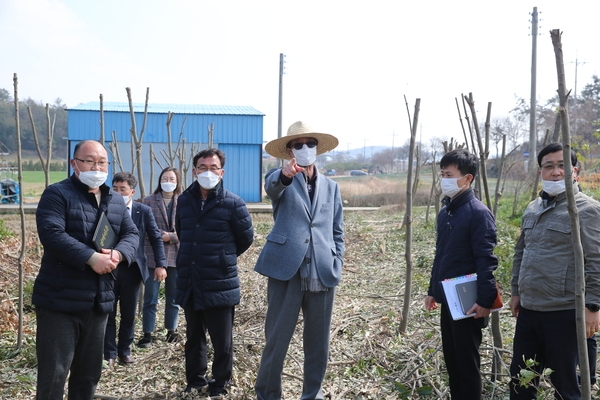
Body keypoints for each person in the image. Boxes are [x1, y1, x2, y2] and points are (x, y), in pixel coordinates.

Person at [33, 140, 139, 400]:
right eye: (89, 161)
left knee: (88, 375)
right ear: (74, 164)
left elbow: (131, 233)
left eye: (102, 162)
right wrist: (92, 258)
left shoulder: (115, 199)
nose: (96, 166)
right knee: (54, 375)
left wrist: (119, 253)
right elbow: (52, 234)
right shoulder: (57, 194)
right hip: (60, 301)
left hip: (99, 303)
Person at [254, 121, 345, 400]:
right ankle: (268, 394)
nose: (305, 148)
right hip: (286, 270)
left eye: (310, 143)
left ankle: (312, 395)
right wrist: (284, 174)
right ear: (290, 151)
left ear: (317, 149)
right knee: (277, 340)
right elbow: (272, 187)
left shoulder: (331, 187)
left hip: (322, 271)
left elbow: (337, 231)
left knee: (318, 344)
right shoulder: (280, 179)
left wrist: (336, 260)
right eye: (298, 144)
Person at [510, 142, 600, 399]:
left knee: (567, 387)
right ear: (540, 172)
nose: (555, 172)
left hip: (564, 313)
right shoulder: (532, 208)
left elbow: (596, 261)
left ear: (575, 171)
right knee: (521, 382)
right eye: (548, 166)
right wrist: (516, 292)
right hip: (530, 311)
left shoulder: (587, 210)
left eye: (562, 166)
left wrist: (593, 306)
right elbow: (520, 253)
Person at [175, 148, 254, 397]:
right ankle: (195, 379)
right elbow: (181, 231)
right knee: (194, 336)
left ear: (222, 172)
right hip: (191, 278)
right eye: (202, 167)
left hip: (219, 281)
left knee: (222, 341)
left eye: (213, 167)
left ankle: (219, 383)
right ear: (194, 170)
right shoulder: (184, 201)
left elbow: (245, 239)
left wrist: (222, 258)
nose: (207, 172)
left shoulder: (233, 203)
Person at [424, 148, 498, 400]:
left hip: (469, 301)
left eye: (449, 174)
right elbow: (441, 255)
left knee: (467, 365)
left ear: (468, 179)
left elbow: (486, 260)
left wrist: (485, 301)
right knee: (453, 361)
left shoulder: (478, 213)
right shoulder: (446, 212)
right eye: (442, 173)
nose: (444, 179)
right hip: (449, 299)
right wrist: (432, 290)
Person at [104, 172, 166, 367]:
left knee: (129, 313)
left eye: (122, 189)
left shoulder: (143, 211)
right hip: (109, 268)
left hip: (132, 270)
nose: (118, 193)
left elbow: (155, 238)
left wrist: (160, 264)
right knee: (109, 312)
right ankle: (109, 352)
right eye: (115, 189)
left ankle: (125, 350)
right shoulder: (105, 208)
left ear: (132, 191)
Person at [137, 167, 182, 348]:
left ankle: (171, 331)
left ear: (177, 181)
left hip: (176, 255)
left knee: (173, 298)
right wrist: (157, 236)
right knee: (151, 296)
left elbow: (189, 229)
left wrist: (170, 237)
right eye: (165, 177)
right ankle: (147, 334)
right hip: (152, 255)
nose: (168, 181)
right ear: (159, 180)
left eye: (172, 178)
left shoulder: (185, 202)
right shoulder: (148, 201)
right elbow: (142, 227)